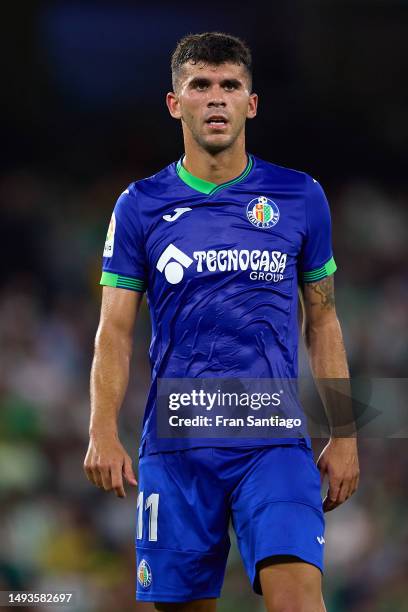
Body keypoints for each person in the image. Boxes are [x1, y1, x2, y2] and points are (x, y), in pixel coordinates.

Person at [84, 32, 360, 612]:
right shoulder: (139, 205)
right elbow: (114, 330)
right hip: (179, 443)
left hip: (273, 440)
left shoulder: (299, 196)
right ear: (174, 102)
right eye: (200, 86)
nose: (216, 99)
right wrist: (102, 430)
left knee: (299, 603)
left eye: (230, 86)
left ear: (250, 103)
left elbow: (324, 321)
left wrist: (345, 432)